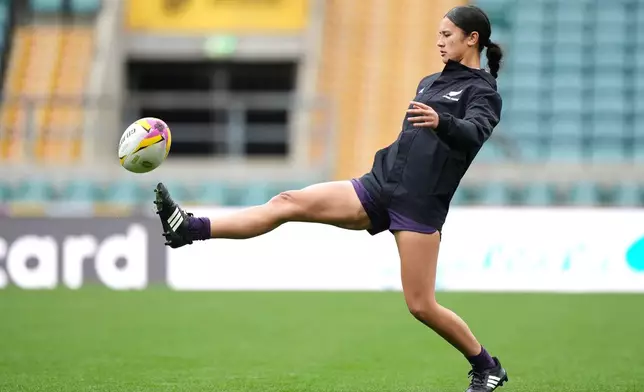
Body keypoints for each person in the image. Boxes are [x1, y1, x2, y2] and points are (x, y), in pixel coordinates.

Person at [153, 5, 507, 392]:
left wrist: (444, 122)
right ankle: (189, 228)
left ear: (472, 39)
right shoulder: (429, 81)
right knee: (287, 202)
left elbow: (474, 134)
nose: (439, 41)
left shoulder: (483, 92)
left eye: (447, 35)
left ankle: (487, 366)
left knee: (421, 306)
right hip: (378, 186)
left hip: (420, 204)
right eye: (438, 34)